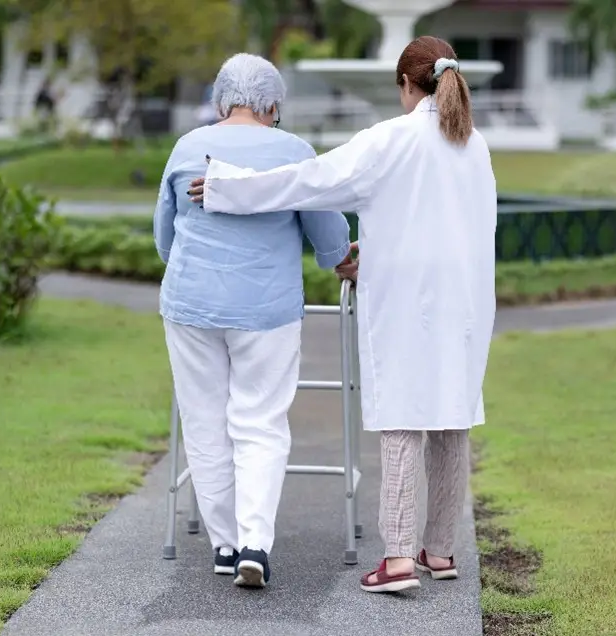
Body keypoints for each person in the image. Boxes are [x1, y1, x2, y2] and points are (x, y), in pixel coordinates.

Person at [188, 36, 497, 594]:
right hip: (468, 300)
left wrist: (226, 187)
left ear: (407, 84)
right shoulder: (473, 144)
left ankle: (398, 560)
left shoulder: (392, 139)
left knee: (403, 418)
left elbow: (312, 181)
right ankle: (441, 551)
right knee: (451, 417)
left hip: (410, 300)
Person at [154, 53, 353, 588]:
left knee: (205, 420)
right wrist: (338, 259)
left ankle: (222, 545)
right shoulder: (294, 152)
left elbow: (164, 237)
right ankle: (254, 544)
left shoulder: (188, 148)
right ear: (273, 106)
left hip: (191, 304)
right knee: (261, 422)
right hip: (266, 308)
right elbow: (329, 234)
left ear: (221, 101)